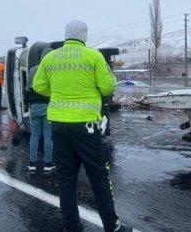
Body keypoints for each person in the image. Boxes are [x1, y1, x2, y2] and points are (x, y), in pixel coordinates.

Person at [32, 20, 132, 232]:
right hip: (86, 125)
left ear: (66, 34)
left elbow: (38, 86)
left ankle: (72, 227)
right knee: (99, 176)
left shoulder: (50, 57)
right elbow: (107, 86)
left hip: (58, 125)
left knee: (66, 178)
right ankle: (111, 226)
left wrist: (59, 94)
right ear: (84, 35)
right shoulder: (93, 56)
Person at [24, 48, 54, 174]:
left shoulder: (32, 70)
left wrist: (26, 103)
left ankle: (32, 164)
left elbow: (27, 89)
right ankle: (48, 165)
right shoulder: (53, 70)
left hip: (34, 106)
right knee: (48, 136)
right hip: (48, 106)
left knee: (34, 136)